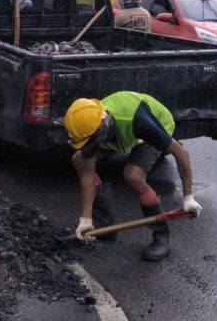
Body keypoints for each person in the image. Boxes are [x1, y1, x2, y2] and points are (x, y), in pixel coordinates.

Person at [63, 91, 203, 261]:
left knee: (133, 175)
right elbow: (86, 174)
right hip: (120, 131)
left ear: (101, 129)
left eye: (89, 142)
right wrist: (85, 219)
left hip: (156, 123)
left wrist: (188, 197)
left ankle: (161, 235)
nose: (87, 146)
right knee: (80, 160)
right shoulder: (90, 124)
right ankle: (103, 223)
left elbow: (181, 153)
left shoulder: (140, 121)